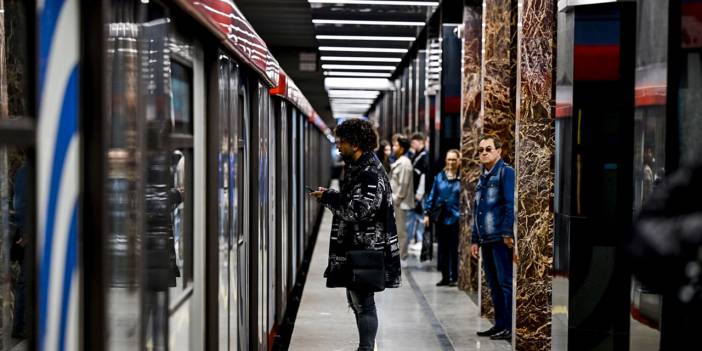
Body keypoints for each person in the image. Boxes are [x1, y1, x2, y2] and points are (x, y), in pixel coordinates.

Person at [310, 119, 401, 351]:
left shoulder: (369, 172)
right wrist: (331, 195)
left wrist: (330, 197)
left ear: (356, 143)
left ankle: (366, 348)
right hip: (359, 246)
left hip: (366, 248)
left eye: (342, 142)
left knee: (364, 303)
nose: (338, 146)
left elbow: (358, 210)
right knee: (358, 300)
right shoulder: (359, 167)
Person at [470, 135, 515, 341]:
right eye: (481, 150)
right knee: (493, 284)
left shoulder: (506, 173)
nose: (484, 153)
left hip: (499, 238)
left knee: (505, 283)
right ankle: (498, 325)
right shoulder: (482, 178)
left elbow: (509, 204)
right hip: (485, 239)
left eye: (489, 149)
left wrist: (507, 232)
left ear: (499, 151)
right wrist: (474, 239)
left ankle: (507, 327)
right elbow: (477, 210)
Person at [423, 149, 461, 287]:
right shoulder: (439, 177)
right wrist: (427, 213)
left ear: (459, 161)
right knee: (443, 249)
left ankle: (455, 277)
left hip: (457, 218)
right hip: (442, 217)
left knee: (454, 249)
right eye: (449, 159)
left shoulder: (461, 178)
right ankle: (445, 277)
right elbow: (432, 195)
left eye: (453, 159)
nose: (451, 162)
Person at [390, 134, 414, 267]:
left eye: (396, 145)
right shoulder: (400, 161)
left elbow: (403, 185)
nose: (394, 147)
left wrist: (397, 199)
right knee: (397, 231)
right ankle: (397, 256)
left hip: (400, 203)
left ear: (402, 148)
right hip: (396, 202)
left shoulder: (405, 163)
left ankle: (402, 258)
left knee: (401, 232)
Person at [408, 133, 428, 252]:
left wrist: (420, 193)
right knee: (417, 216)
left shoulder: (424, 157)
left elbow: (423, 176)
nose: (412, 145)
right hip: (416, 191)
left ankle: (420, 241)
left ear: (420, 142)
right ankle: (417, 240)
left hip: (421, 192)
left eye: (414, 142)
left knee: (421, 217)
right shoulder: (417, 155)